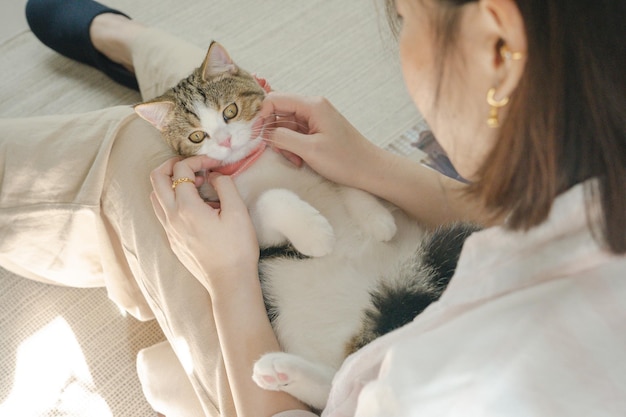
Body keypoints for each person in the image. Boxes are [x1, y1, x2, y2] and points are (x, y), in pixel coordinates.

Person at [2, 0, 624, 416]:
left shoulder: (453, 388)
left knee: (139, 149)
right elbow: (525, 219)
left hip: (296, 366)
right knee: (237, 105)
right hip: (373, 276)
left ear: (498, 46)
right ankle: (132, 42)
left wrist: (227, 278)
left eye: (405, 16)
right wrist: (372, 166)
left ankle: (129, 45)